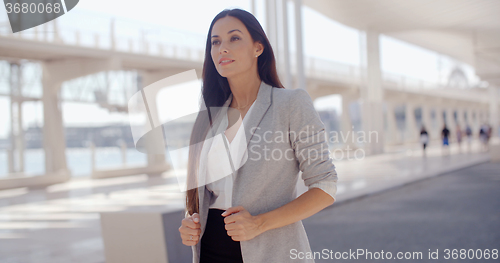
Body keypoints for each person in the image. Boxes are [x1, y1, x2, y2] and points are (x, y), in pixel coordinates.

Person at [178, 9, 338, 263]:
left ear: (258, 48)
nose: (223, 48)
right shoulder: (209, 117)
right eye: (216, 42)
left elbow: (325, 186)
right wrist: (190, 222)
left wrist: (259, 224)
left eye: (234, 38)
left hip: (272, 251)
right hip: (209, 250)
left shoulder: (290, 104)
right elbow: (206, 195)